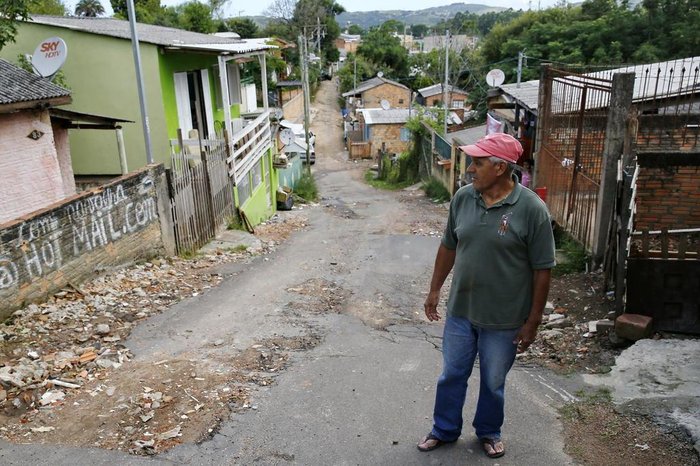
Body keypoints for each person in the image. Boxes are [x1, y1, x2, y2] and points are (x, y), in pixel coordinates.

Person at [417, 133, 555, 459]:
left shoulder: (532, 209)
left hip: (505, 318)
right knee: (452, 374)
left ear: (499, 167)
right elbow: (449, 246)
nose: (470, 169)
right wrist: (435, 289)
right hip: (462, 310)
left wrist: (533, 321)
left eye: (477, 163)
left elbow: (543, 269)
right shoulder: (464, 199)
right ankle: (444, 429)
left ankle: (489, 431)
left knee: (493, 381)